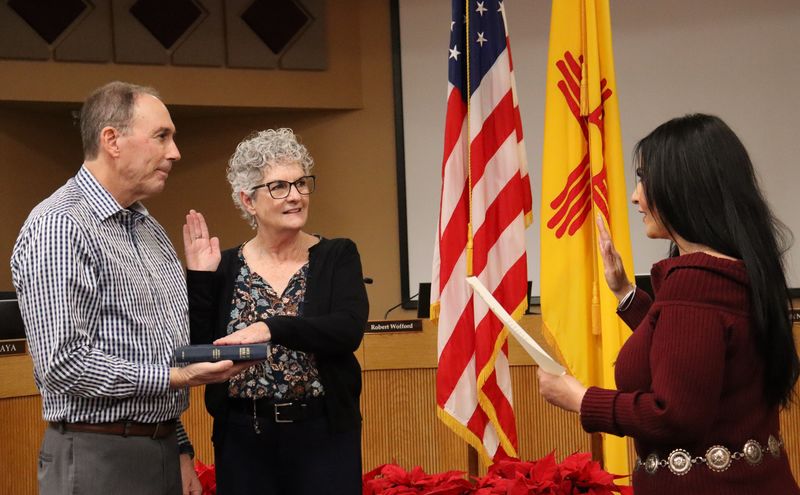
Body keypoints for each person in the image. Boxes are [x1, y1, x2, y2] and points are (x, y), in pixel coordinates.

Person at [10, 81, 252, 495]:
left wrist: (178, 446)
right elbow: (64, 365)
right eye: (162, 136)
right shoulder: (60, 226)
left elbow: (156, 346)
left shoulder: (147, 228)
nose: (175, 152)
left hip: (157, 448)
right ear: (112, 140)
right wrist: (176, 376)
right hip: (96, 454)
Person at [537, 114, 800, 494]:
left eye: (644, 179)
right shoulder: (737, 271)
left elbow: (674, 416)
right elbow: (691, 354)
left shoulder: (695, 283)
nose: (634, 196)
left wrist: (579, 399)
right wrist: (626, 293)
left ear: (683, 187)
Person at [183, 128, 369, 494]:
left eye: (301, 184)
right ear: (248, 201)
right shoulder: (224, 266)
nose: (296, 196)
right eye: (279, 187)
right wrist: (200, 279)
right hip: (243, 438)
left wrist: (271, 328)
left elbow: (346, 331)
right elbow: (199, 349)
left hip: (324, 434)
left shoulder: (337, 255)